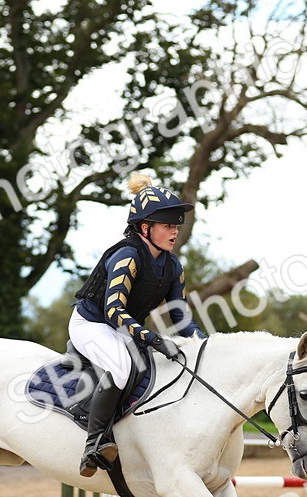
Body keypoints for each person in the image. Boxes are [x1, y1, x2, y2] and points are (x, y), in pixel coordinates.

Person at [70, 173, 207, 477]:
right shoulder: (127, 256)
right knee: (122, 367)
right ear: (145, 228)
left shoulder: (173, 266)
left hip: (122, 327)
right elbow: (113, 311)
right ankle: (94, 444)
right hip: (91, 324)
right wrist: (154, 339)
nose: (175, 232)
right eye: (168, 226)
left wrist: (207, 346)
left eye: (176, 226)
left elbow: (181, 317)